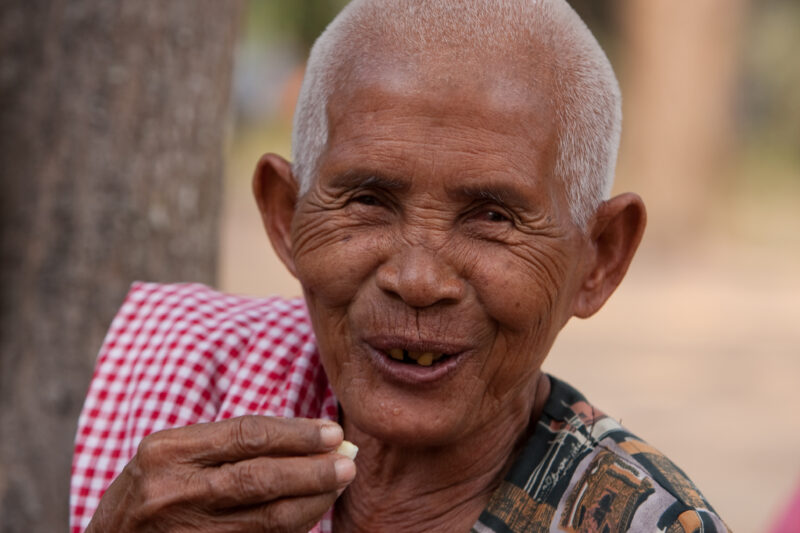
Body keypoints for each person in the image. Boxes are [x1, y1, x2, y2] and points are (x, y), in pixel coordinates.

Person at [70, 0, 729, 531]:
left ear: (601, 257)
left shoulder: (641, 521)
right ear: (286, 217)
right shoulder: (176, 401)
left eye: (493, 216)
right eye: (368, 200)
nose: (417, 279)